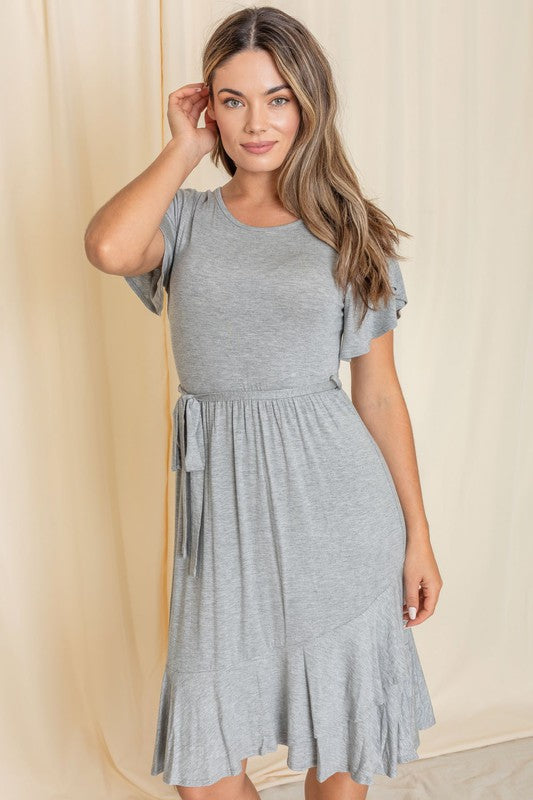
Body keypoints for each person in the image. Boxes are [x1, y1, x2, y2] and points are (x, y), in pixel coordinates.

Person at [84, 6, 443, 799]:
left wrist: (416, 536)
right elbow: (108, 247)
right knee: (204, 769)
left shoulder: (350, 233)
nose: (256, 121)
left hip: (339, 511)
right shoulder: (183, 220)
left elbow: (377, 396)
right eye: (233, 99)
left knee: (339, 744)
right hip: (226, 515)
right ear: (208, 107)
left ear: (308, 104)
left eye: (277, 98)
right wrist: (183, 148)